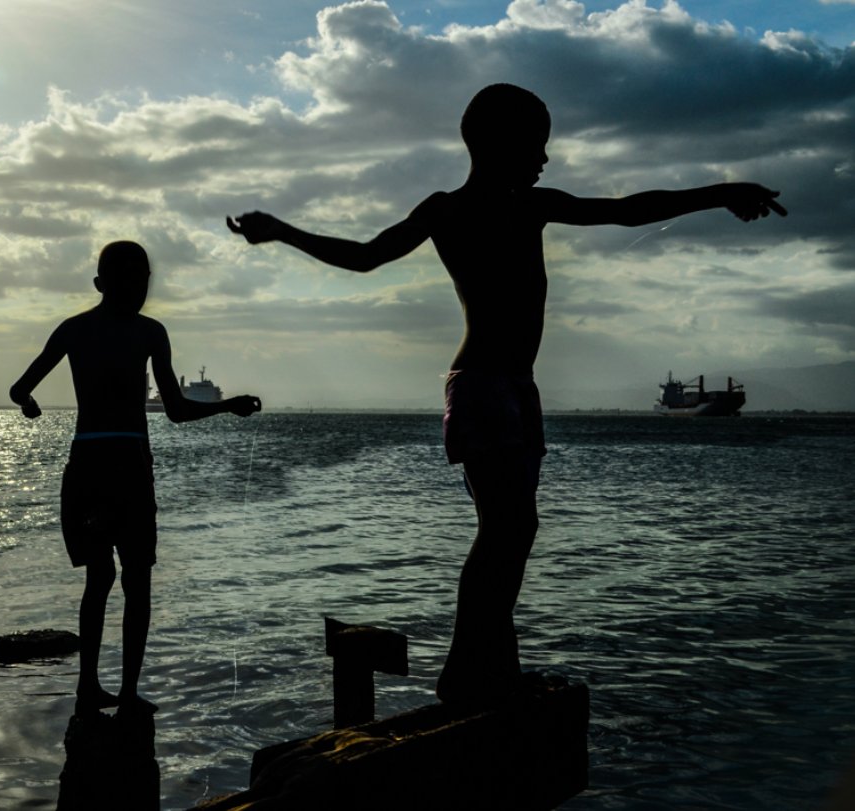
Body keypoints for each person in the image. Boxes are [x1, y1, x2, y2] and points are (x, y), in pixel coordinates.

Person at [227, 83, 786, 708]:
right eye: (535, 145)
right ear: (499, 145)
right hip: (483, 385)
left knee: (512, 532)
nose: (545, 158)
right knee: (508, 528)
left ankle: (493, 668)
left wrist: (722, 193)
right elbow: (365, 257)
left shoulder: (527, 203)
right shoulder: (460, 209)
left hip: (516, 388)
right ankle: (467, 673)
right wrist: (282, 231)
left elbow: (629, 209)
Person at [10, 240, 261, 716]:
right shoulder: (150, 332)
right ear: (103, 284)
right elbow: (177, 411)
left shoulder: (74, 329)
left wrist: (29, 405)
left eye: (142, 280)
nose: (138, 289)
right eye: (134, 280)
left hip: (88, 463)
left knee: (102, 577)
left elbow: (19, 388)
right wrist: (228, 405)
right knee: (134, 578)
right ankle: (125, 693)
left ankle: (93, 689)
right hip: (126, 464)